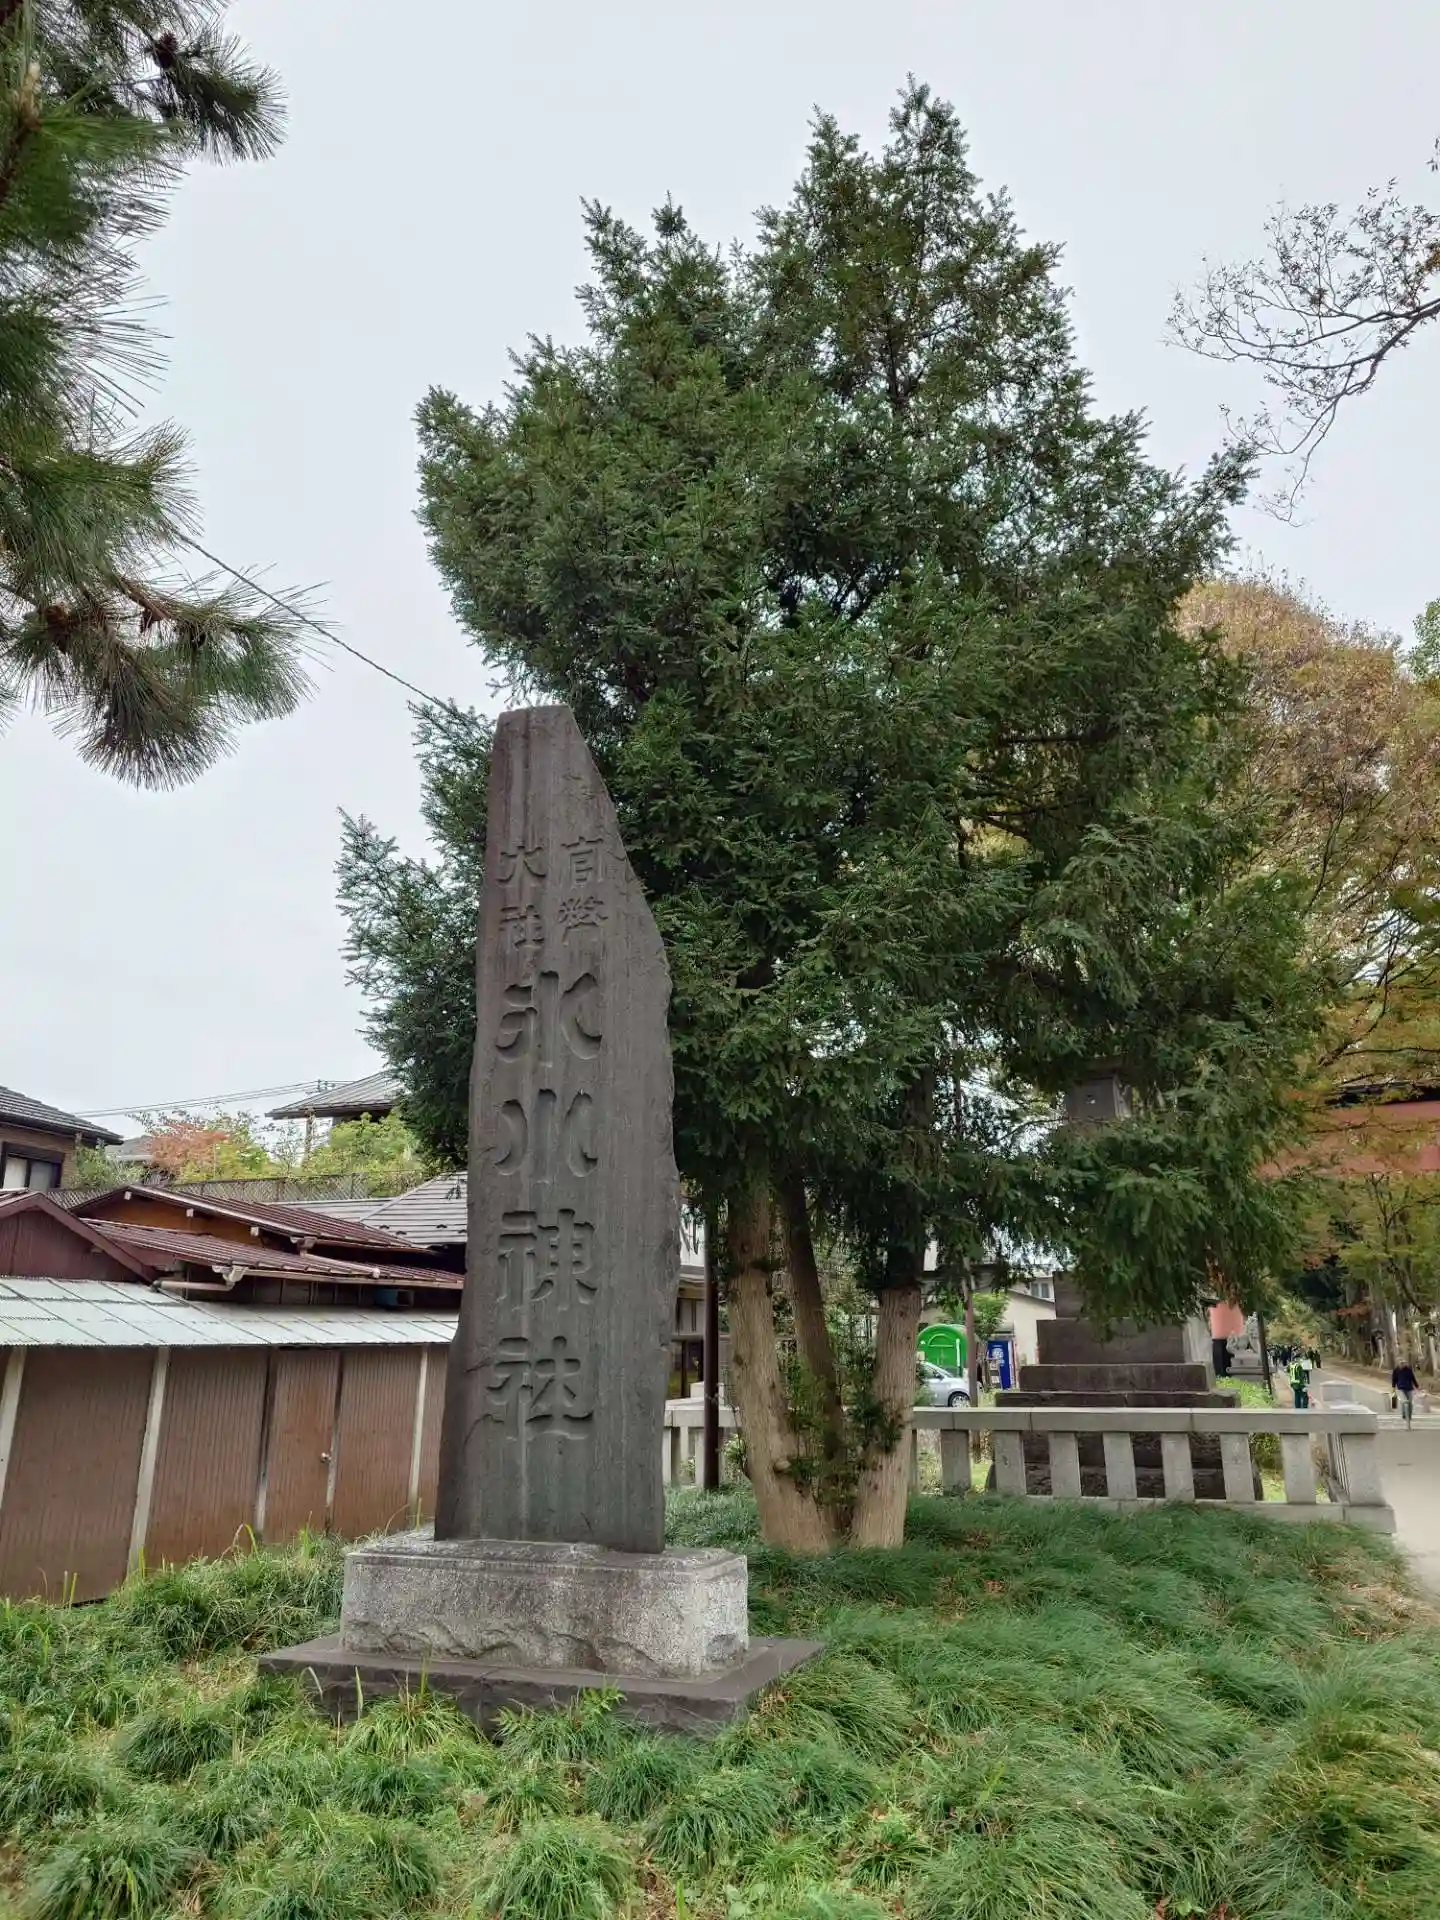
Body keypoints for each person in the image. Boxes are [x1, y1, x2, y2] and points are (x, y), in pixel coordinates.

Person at [1392, 1357, 1420, 1425]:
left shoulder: (1408, 1370)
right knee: (1404, 1401)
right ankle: (1404, 1414)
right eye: (1401, 1363)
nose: (1402, 1364)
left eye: (1403, 1363)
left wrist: (1417, 1386)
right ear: (1398, 1363)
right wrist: (1393, 1387)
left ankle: (1409, 1415)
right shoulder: (1396, 1370)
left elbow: (1413, 1378)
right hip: (1401, 1388)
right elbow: (1394, 1379)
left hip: (1409, 1388)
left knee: (1410, 1402)